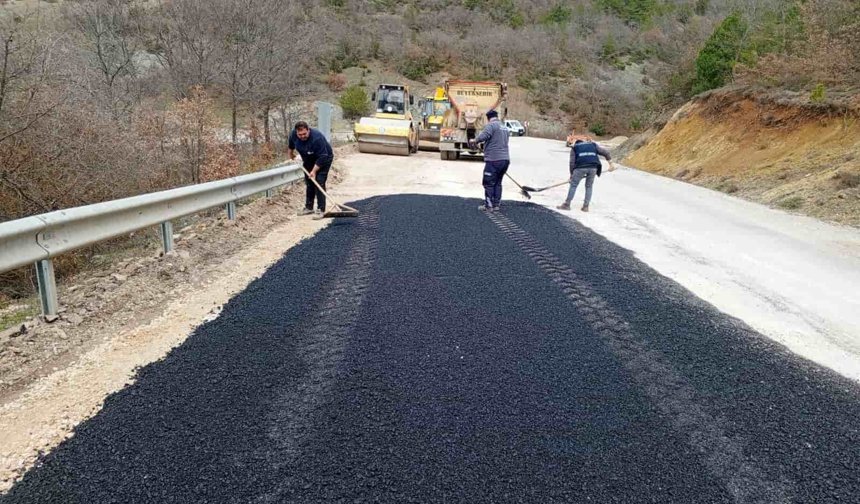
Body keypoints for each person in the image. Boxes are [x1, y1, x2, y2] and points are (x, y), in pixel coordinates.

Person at [288, 121, 334, 219]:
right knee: (309, 182)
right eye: (300, 134)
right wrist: (291, 155)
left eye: (304, 134)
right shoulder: (293, 134)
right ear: (296, 132)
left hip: (324, 158)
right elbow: (291, 146)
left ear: (308, 130)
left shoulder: (317, 137)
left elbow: (323, 156)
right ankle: (309, 207)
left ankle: (321, 209)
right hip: (308, 158)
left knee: (319, 181)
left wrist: (314, 171)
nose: (302, 136)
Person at [557, 136, 614, 213]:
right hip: (593, 168)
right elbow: (606, 152)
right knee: (589, 186)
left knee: (573, 185)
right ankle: (585, 207)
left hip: (580, 168)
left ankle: (567, 204)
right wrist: (611, 164)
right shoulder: (593, 145)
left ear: (576, 143)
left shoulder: (574, 148)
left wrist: (571, 176)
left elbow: (572, 163)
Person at [472, 109, 510, 211]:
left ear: (488, 118)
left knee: (488, 182)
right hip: (505, 160)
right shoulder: (504, 127)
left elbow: (485, 135)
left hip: (494, 159)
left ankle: (489, 205)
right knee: (498, 182)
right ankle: (496, 204)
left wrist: (475, 140)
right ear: (496, 116)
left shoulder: (491, 125)